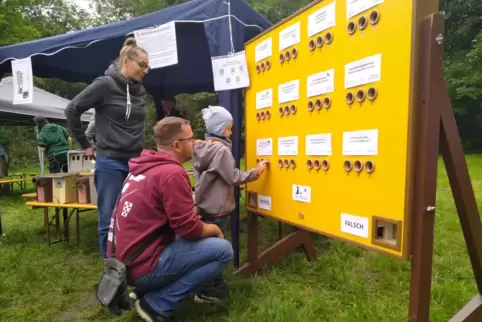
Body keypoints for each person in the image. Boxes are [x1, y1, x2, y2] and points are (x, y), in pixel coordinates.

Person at [106, 116, 233, 322]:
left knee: (193, 241)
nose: (195, 142)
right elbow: (188, 229)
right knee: (222, 250)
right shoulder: (172, 172)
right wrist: (214, 230)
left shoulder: (144, 167)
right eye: (191, 138)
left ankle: (143, 291)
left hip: (124, 262)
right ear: (177, 145)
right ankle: (158, 303)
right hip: (142, 265)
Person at [64, 37, 149, 258]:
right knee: (108, 217)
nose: (146, 70)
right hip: (110, 161)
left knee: (136, 214)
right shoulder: (105, 84)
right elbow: (72, 109)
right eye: (142, 65)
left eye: (148, 66)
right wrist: (85, 144)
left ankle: (133, 262)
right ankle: (112, 270)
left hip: (136, 162)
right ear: (125, 60)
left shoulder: (140, 90)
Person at [190, 105, 268, 302]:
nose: (231, 132)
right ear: (218, 129)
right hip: (218, 208)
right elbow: (233, 176)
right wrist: (256, 172)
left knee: (207, 246)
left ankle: (210, 284)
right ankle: (208, 288)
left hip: (204, 205)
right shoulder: (222, 150)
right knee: (216, 249)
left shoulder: (200, 147)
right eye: (228, 128)